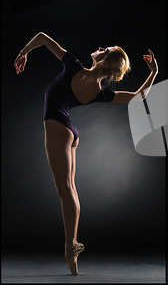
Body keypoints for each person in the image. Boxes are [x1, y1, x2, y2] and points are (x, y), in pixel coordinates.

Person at [14, 32, 158, 275]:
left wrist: (23, 52)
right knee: (69, 188)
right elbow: (136, 97)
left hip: (59, 125)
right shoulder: (99, 91)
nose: (100, 47)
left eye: (105, 49)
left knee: (65, 188)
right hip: (70, 131)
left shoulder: (73, 65)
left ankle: (71, 245)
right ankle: (72, 246)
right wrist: (153, 72)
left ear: (104, 62)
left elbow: (41, 37)